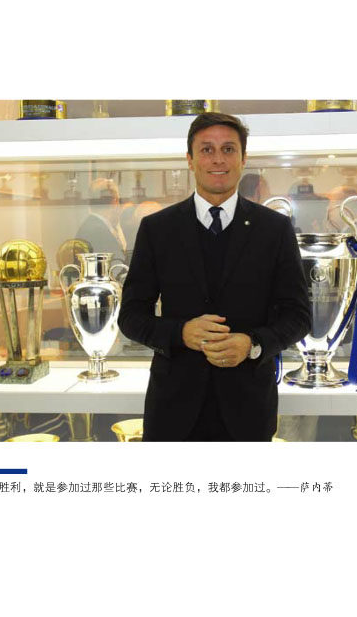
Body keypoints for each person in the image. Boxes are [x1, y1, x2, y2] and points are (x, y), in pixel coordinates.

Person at [118, 112, 311, 442]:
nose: (218, 159)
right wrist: (181, 333)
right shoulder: (158, 229)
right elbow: (131, 317)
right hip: (173, 411)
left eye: (228, 149)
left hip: (248, 411)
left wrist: (252, 344)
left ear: (243, 158)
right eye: (207, 150)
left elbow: (298, 317)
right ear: (190, 160)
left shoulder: (274, 230)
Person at [76, 178, 127, 265]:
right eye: (119, 201)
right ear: (115, 201)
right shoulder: (97, 230)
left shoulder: (92, 225)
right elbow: (116, 266)